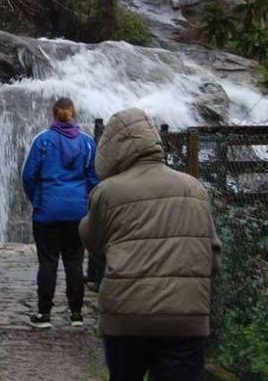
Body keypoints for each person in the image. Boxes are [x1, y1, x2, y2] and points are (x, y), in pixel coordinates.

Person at [79, 108, 221, 381]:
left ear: (112, 148)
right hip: (185, 317)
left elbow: (96, 247)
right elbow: (212, 257)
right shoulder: (194, 188)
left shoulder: (107, 193)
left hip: (127, 315)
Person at [21, 97, 99, 329]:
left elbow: (28, 175)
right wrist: (84, 201)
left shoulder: (43, 140)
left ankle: (44, 314)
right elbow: (94, 179)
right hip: (77, 212)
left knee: (48, 262)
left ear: (53, 114)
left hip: (47, 212)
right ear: (73, 113)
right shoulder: (86, 142)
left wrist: (37, 199)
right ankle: (76, 314)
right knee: (75, 261)